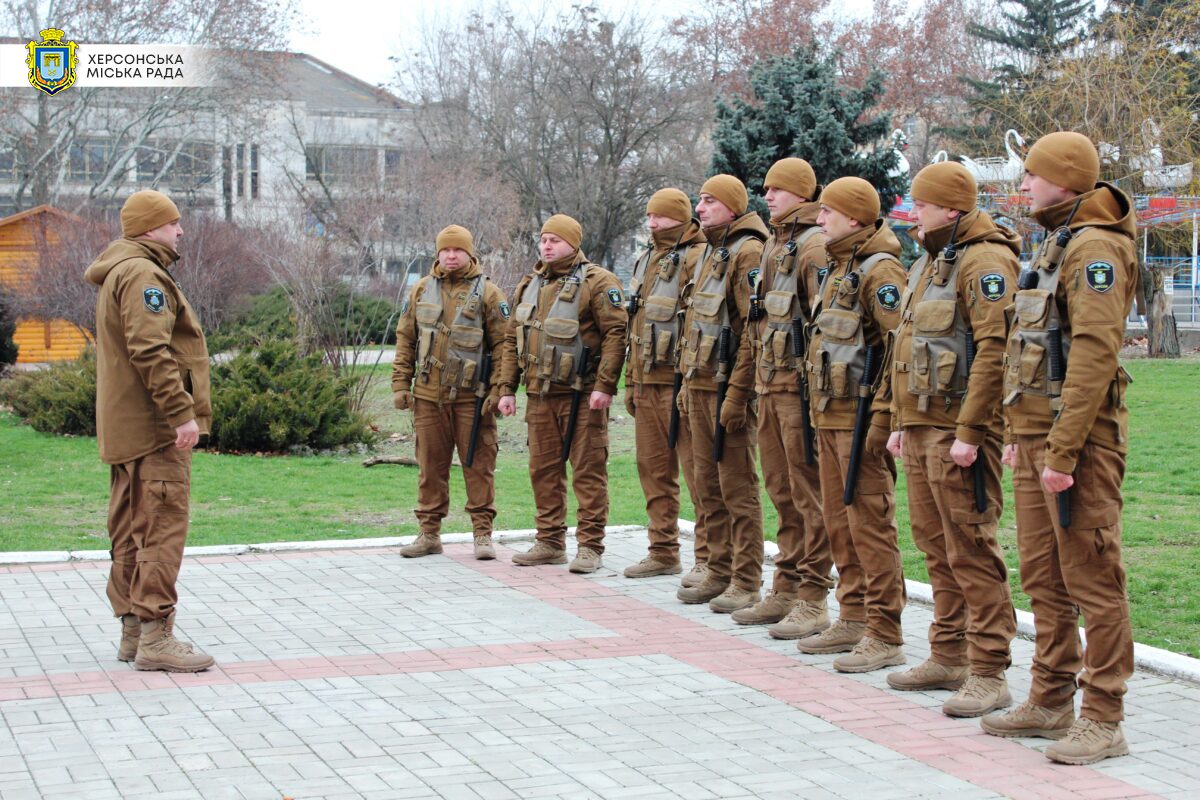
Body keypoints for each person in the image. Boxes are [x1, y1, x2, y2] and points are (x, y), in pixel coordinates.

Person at [980, 132, 1137, 766]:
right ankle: (1050, 698)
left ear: (1066, 181)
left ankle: (1104, 715)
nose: (1024, 183)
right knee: (1044, 576)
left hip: (1080, 445)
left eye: (1033, 174)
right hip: (1038, 437)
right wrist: (1023, 437)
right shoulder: (1059, 239)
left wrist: (1063, 452)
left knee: (1094, 579)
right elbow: (1032, 350)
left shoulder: (1096, 248)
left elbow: (1095, 357)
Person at [881, 162, 1019, 716]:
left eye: (923, 203)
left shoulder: (986, 260)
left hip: (959, 433)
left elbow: (995, 350)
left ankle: (989, 669)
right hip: (921, 428)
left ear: (952, 209)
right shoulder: (933, 261)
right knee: (936, 547)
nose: (915, 212)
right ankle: (949, 653)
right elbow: (906, 350)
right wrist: (898, 422)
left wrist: (971, 430)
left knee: (971, 549)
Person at [85, 190, 213, 673]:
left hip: (127, 431)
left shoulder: (120, 270)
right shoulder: (142, 275)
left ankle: (133, 632)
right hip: (154, 429)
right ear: (148, 228)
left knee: (131, 529)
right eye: (172, 223)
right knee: (160, 527)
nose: (180, 230)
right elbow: (150, 349)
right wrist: (182, 413)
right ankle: (157, 636)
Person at [798, 176, 908, 673]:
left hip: (861, 421)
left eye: (828, 212)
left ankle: (885, 632)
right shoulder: (837, 268)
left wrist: (884, 419)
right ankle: (854, 614)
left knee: (870, 525)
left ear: (856, 219)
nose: (820, 219)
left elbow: (897, 350)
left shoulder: (879, 271)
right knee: (840, 522)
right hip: (830, 414)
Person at [730, 158, 834, 640]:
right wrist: (743, 388)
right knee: (782, 492)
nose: (767, 195)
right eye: (765, 188)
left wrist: (816, 400)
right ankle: (787, 585)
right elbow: (757, 327)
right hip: (770, 390)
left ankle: (814, 596)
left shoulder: (813, 246)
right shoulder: (777, 243)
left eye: (777, 189)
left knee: (810, 497)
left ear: (801, 193)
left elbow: (825, 328)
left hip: (800, 393)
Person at [497, 215, 627, 572]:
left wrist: (604, 385)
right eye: (543, 240)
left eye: (555, 240)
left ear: (573, 243)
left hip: (582, 396)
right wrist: (506, 388)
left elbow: (616, 333)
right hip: (539, 395)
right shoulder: (530, 284)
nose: (547, 246)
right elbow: (512, 339)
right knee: (543, 471)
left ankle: (590, 547)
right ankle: (550, 541)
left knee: (588, 471)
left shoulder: (598, 281)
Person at [674, 174, 768, 614]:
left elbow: (752, 332)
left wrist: (736, 394)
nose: (702, 205)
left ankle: (746, 579)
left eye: (711, 200)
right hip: (698, 384)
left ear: (732, 206)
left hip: (725, 387)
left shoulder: (748, 250)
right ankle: (718, 567)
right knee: (706, 486)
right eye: (700, 199)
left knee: (736, 487)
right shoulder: (713, 249)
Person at [391, 225, 508, 560]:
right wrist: (401, 384)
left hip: (473, 400)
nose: (451, 255)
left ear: (470, 253)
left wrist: (498, 390)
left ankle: (483, 535)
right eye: (446, 250)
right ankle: (429, 534)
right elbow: (406, 341)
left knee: (478, 466)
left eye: (458, 250)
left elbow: (504, 346)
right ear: (438, 254)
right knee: (430, 467)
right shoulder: (420, 290)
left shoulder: (489, 293)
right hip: (428, 398)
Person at [622, 189, 709, 580]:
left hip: (681, 383)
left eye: (659, 217)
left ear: (679, 217)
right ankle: (662, 550)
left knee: (699, 475)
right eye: (649, 216)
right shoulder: (646, 259)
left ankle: (708, 557)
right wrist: (630, 380)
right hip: (646, 382)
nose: (652, 223)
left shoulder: (698, 257)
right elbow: (634, 325)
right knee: (654, 472)